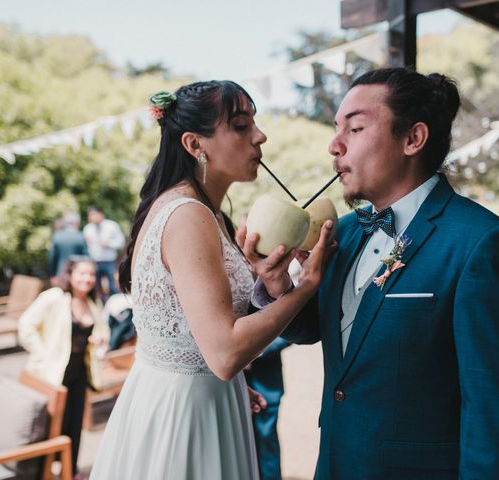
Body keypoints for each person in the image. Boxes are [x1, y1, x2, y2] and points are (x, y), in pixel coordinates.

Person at [243, 67, 499, 479]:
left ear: (413, 139)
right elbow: (325, 328)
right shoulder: (343, 233)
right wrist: (280, 286)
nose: (334, 145)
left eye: (356, 128)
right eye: (335, 129)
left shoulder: (483, 245)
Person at [89, 80, 334, 480]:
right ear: (194, 144)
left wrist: (270, 285)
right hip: (184, 417)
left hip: (199, 400)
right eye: (240, 126)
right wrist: (306, 285)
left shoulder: (207, 212)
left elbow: (200, 333)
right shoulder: (189, 216)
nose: (260, 136)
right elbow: (223, 354)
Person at [18, 256, 109, 476]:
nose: (87, 279)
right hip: (52, 374)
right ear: (70, 275)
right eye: (82, 273)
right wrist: (42, 354)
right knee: (47, 427)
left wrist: (97, 343)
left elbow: (103, 333)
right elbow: (25, 326)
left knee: (74, 424)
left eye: (91, 274)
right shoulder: (54, 298)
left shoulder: (93, 303)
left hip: (79, 374)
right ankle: (39, 472)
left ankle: (70, 470)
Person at [245, 337, 291, 480]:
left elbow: (287, 333)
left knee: (266, 437)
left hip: (265, 382)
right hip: (226, 383)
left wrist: (250, 353)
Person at [83, 206, 125, 297]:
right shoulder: (87, 229)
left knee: (112, 285)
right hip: (94, 261)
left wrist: (108, 244)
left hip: (109, 261)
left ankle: (114, 304)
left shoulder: (112, 226)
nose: (92, 218)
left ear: (101, 215)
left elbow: (121, 242)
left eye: (94, 215)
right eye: (90, 216)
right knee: (96, 287)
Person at [48, 211, 88, 286]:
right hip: (77, 275)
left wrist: (53, 274)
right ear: (76, 223)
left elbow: (52, 258)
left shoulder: (57, 236)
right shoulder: (80, 236)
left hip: (60, 273)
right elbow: (85, 257)